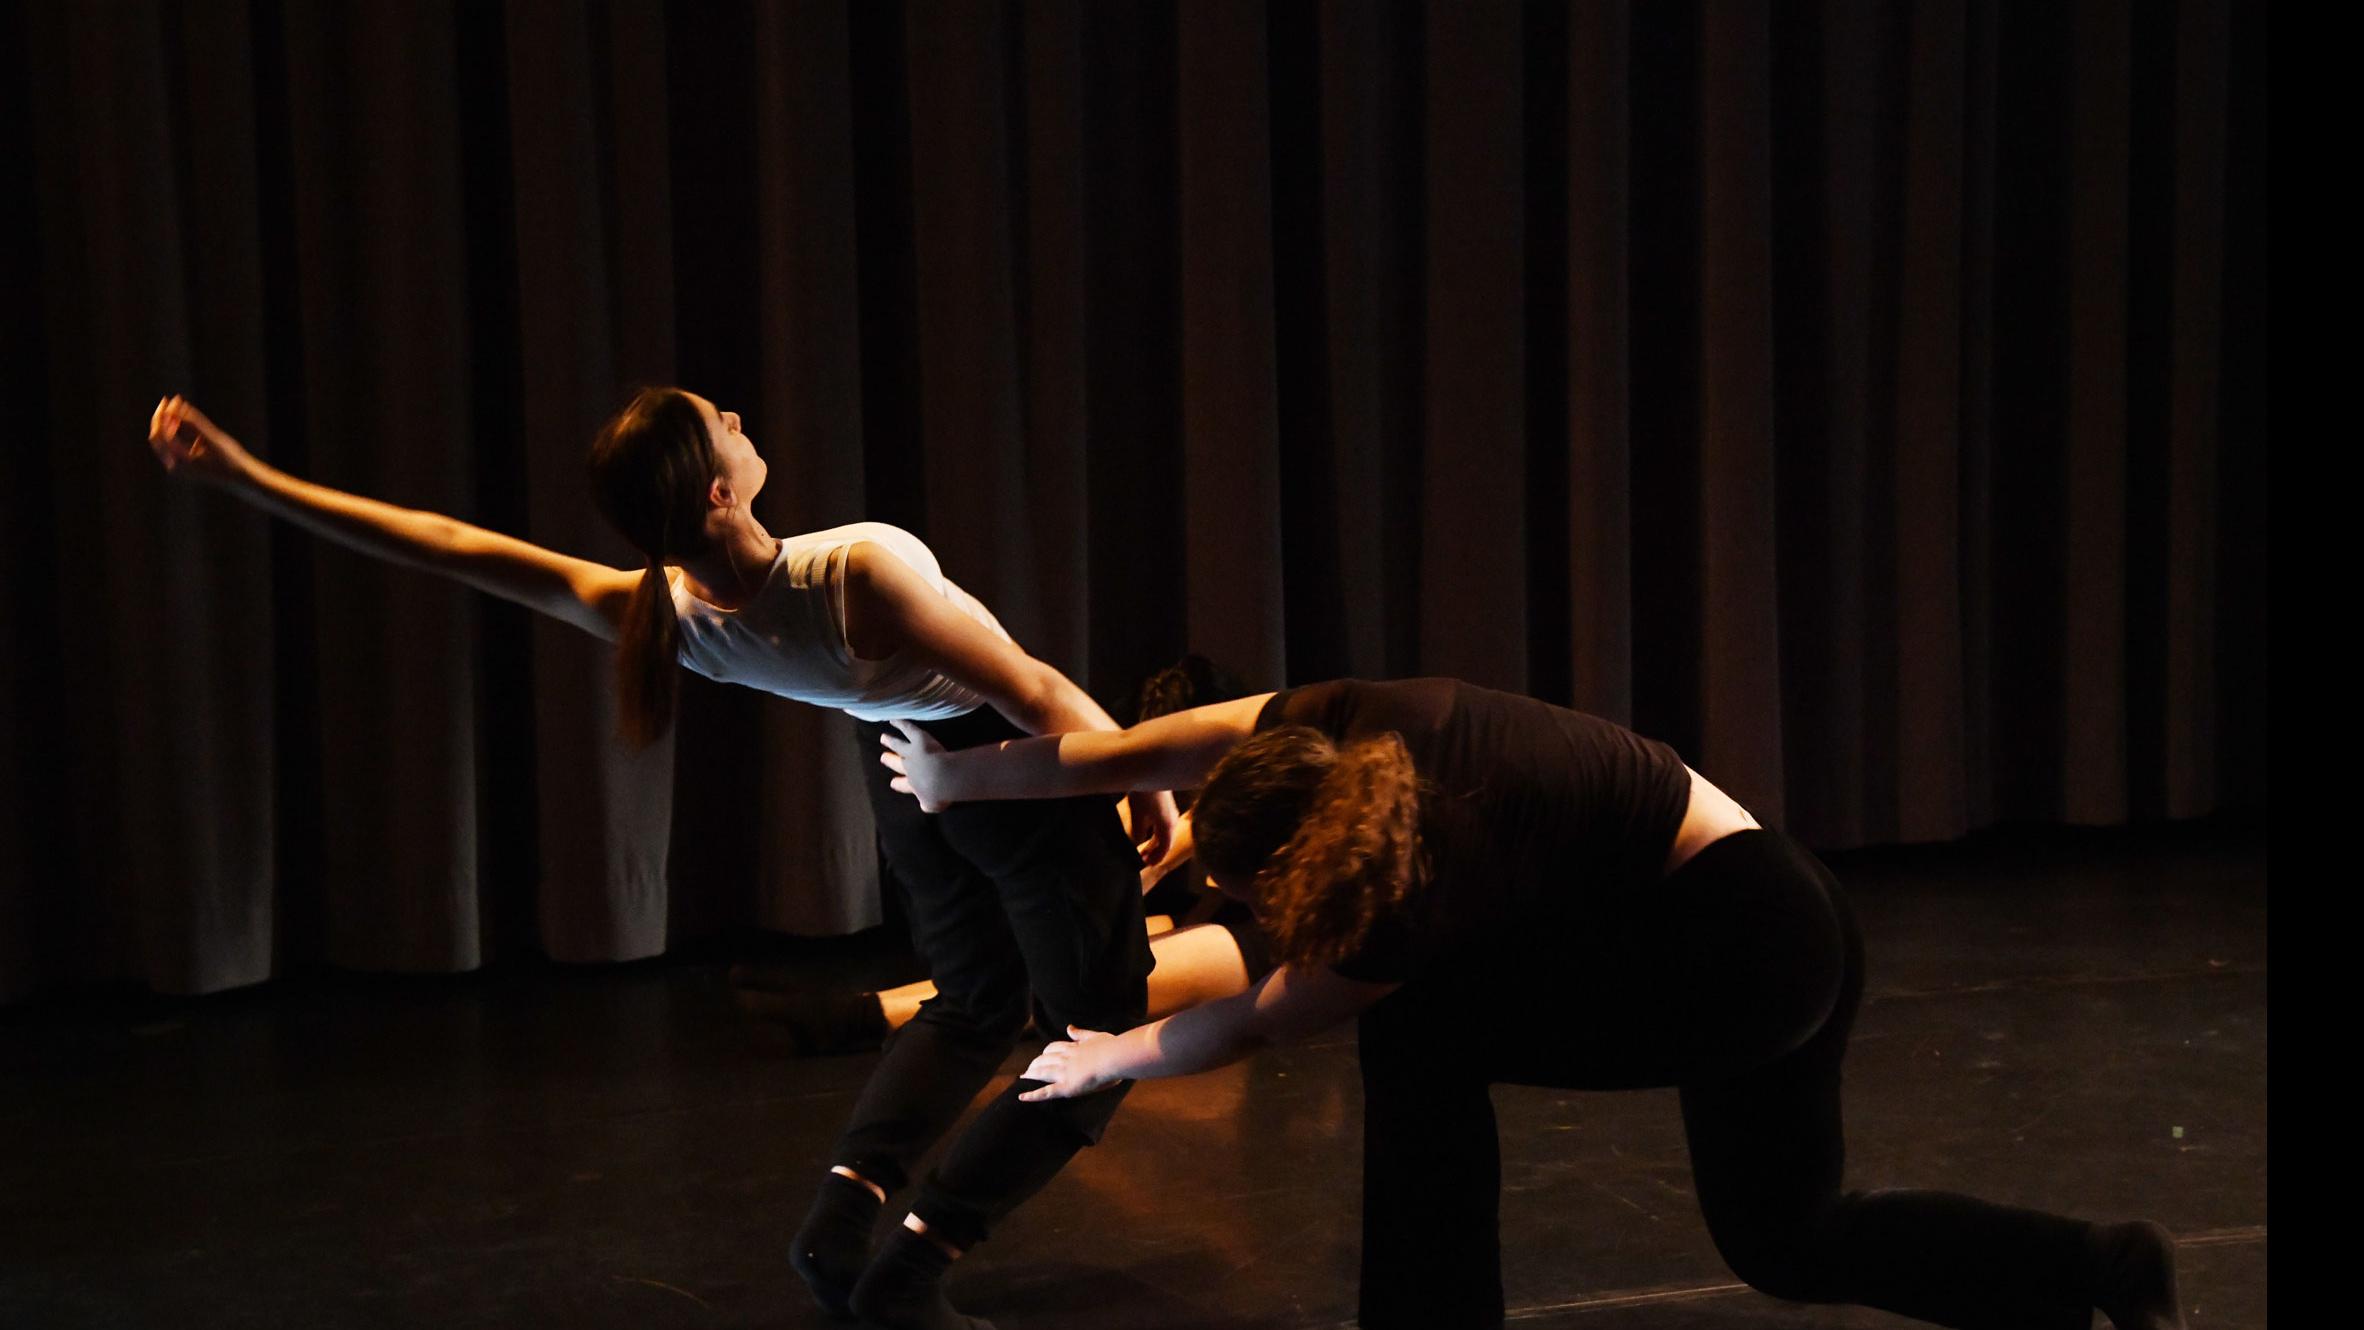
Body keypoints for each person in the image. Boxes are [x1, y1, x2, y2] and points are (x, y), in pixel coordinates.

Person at [145, 390, 1176, 1330]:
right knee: (1100, 1028)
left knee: (971, 1004)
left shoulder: (666, 619)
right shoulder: (851, 576)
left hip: (910, 783)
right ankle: (919, 1258)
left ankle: (840, 1221)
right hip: (1007, 780)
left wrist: (247, 477)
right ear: (721, 488)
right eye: (720, 418)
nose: (736, 411)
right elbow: (1032, 690)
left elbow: (453, 546)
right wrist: (1147, 779)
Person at [880, 675, 2188, 1330]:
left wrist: (1111, 1054)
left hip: (1734, 956)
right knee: (1788, 1239)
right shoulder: (1339, 717)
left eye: (1245, 885)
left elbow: (1260, 1017)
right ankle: (2094, 1266)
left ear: (1310, 858)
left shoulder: (1421, 876)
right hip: (1789, 909)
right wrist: (959, 784)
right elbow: (1121, 748)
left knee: (1418, 1032)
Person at [731, 653, 1274, 1055]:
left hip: (1277, 948)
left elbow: (1158, 865)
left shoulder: (1246, 794)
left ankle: (852, 1017)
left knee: (1074, 984)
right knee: (1112, 940)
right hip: (1222, 925)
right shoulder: (1199, 806)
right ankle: (860, 1005)